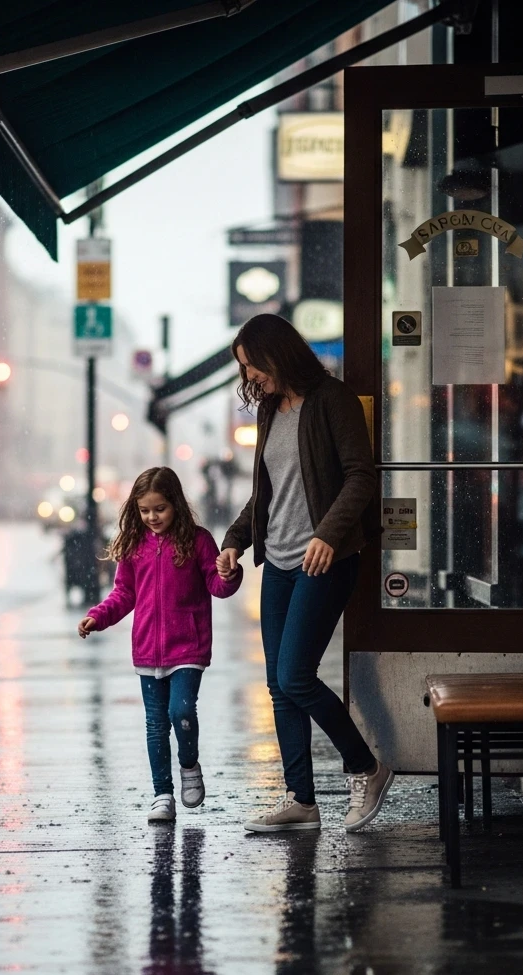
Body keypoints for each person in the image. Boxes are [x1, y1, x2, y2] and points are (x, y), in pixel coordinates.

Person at [215, 313, 394, 833]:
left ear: (277, 355)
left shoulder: (331, 400)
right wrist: (235, 540)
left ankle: (368, 766)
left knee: (295, 675)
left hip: (326, 560)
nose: (249, 378)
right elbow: (267, 493)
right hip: (280, 563)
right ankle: (301, 800)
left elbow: (362, 477)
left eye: (252, 367)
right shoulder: (271, 411)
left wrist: (328, 535)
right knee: (278, 684)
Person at [78, 467, 242, 823]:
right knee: (155, 724)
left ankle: (188, 764)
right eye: (145, 510)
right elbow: (124, 594)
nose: (152, 517)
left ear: (176, 505)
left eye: (160, 509)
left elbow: (217, 585)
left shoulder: (198, 541)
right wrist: (98, 616)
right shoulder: (134, 546)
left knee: (180, 712)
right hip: (148, 651)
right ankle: (162, 793)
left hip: (188, 647)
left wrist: (230, 575)